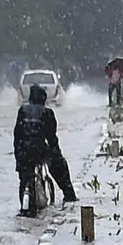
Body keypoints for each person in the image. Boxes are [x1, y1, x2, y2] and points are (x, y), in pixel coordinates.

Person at [14, 84, 78, 212]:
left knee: (24, 178)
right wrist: (56, 155)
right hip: (39, 150)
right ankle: (69, 195)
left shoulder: (22, 110)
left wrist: (18, 156)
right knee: (59, 165)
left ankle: (24, 206)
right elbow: (52, 139)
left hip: (23, 152)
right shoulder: (47, 113)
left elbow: (17, 134)